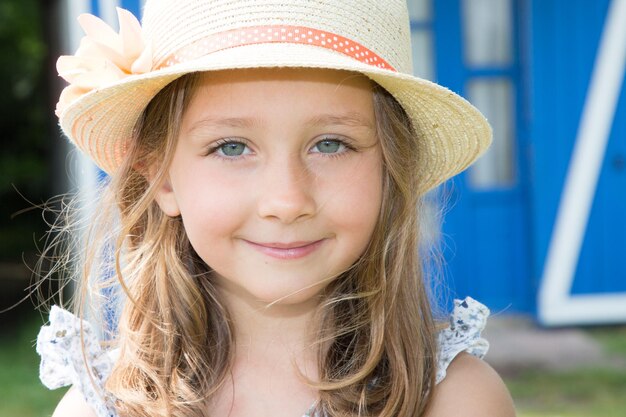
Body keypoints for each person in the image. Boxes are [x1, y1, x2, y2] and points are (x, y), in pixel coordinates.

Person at [36, 1, 516, 416]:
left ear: (391, 171)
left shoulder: (455, 403)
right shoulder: (105, 407)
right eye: (231, 147)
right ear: (159, 177)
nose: (287, 202)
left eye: (330, 144)